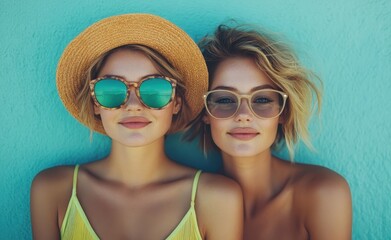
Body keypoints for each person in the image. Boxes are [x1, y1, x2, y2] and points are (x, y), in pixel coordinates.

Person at [30, 14, 243, 240]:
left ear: (176, 103)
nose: (133, 105)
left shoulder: (217, 199)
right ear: (95, 103)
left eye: (154, 89)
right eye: (111, 89)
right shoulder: (52, 190)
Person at [186, 24, 352, 239]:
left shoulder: (323, 192)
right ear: (205, 112)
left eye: (262, 99)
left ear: (282, 112)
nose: (243, 115)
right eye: (225, 99)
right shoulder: (190, 204)